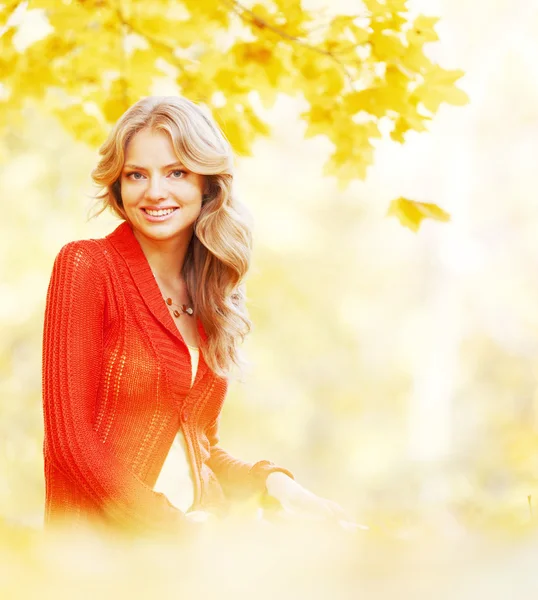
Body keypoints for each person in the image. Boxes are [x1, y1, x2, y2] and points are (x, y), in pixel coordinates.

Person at [41, 95, 349, 537]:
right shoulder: (88, 267)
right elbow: (71, 444)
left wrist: (275, 485)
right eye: (136, 175)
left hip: (192, 555)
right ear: (118, 185)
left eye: (177, 172)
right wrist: (177, 530)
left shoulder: (209, 294)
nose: (154, 192)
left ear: (207, 184)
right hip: (102, 558)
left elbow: (199, 450)